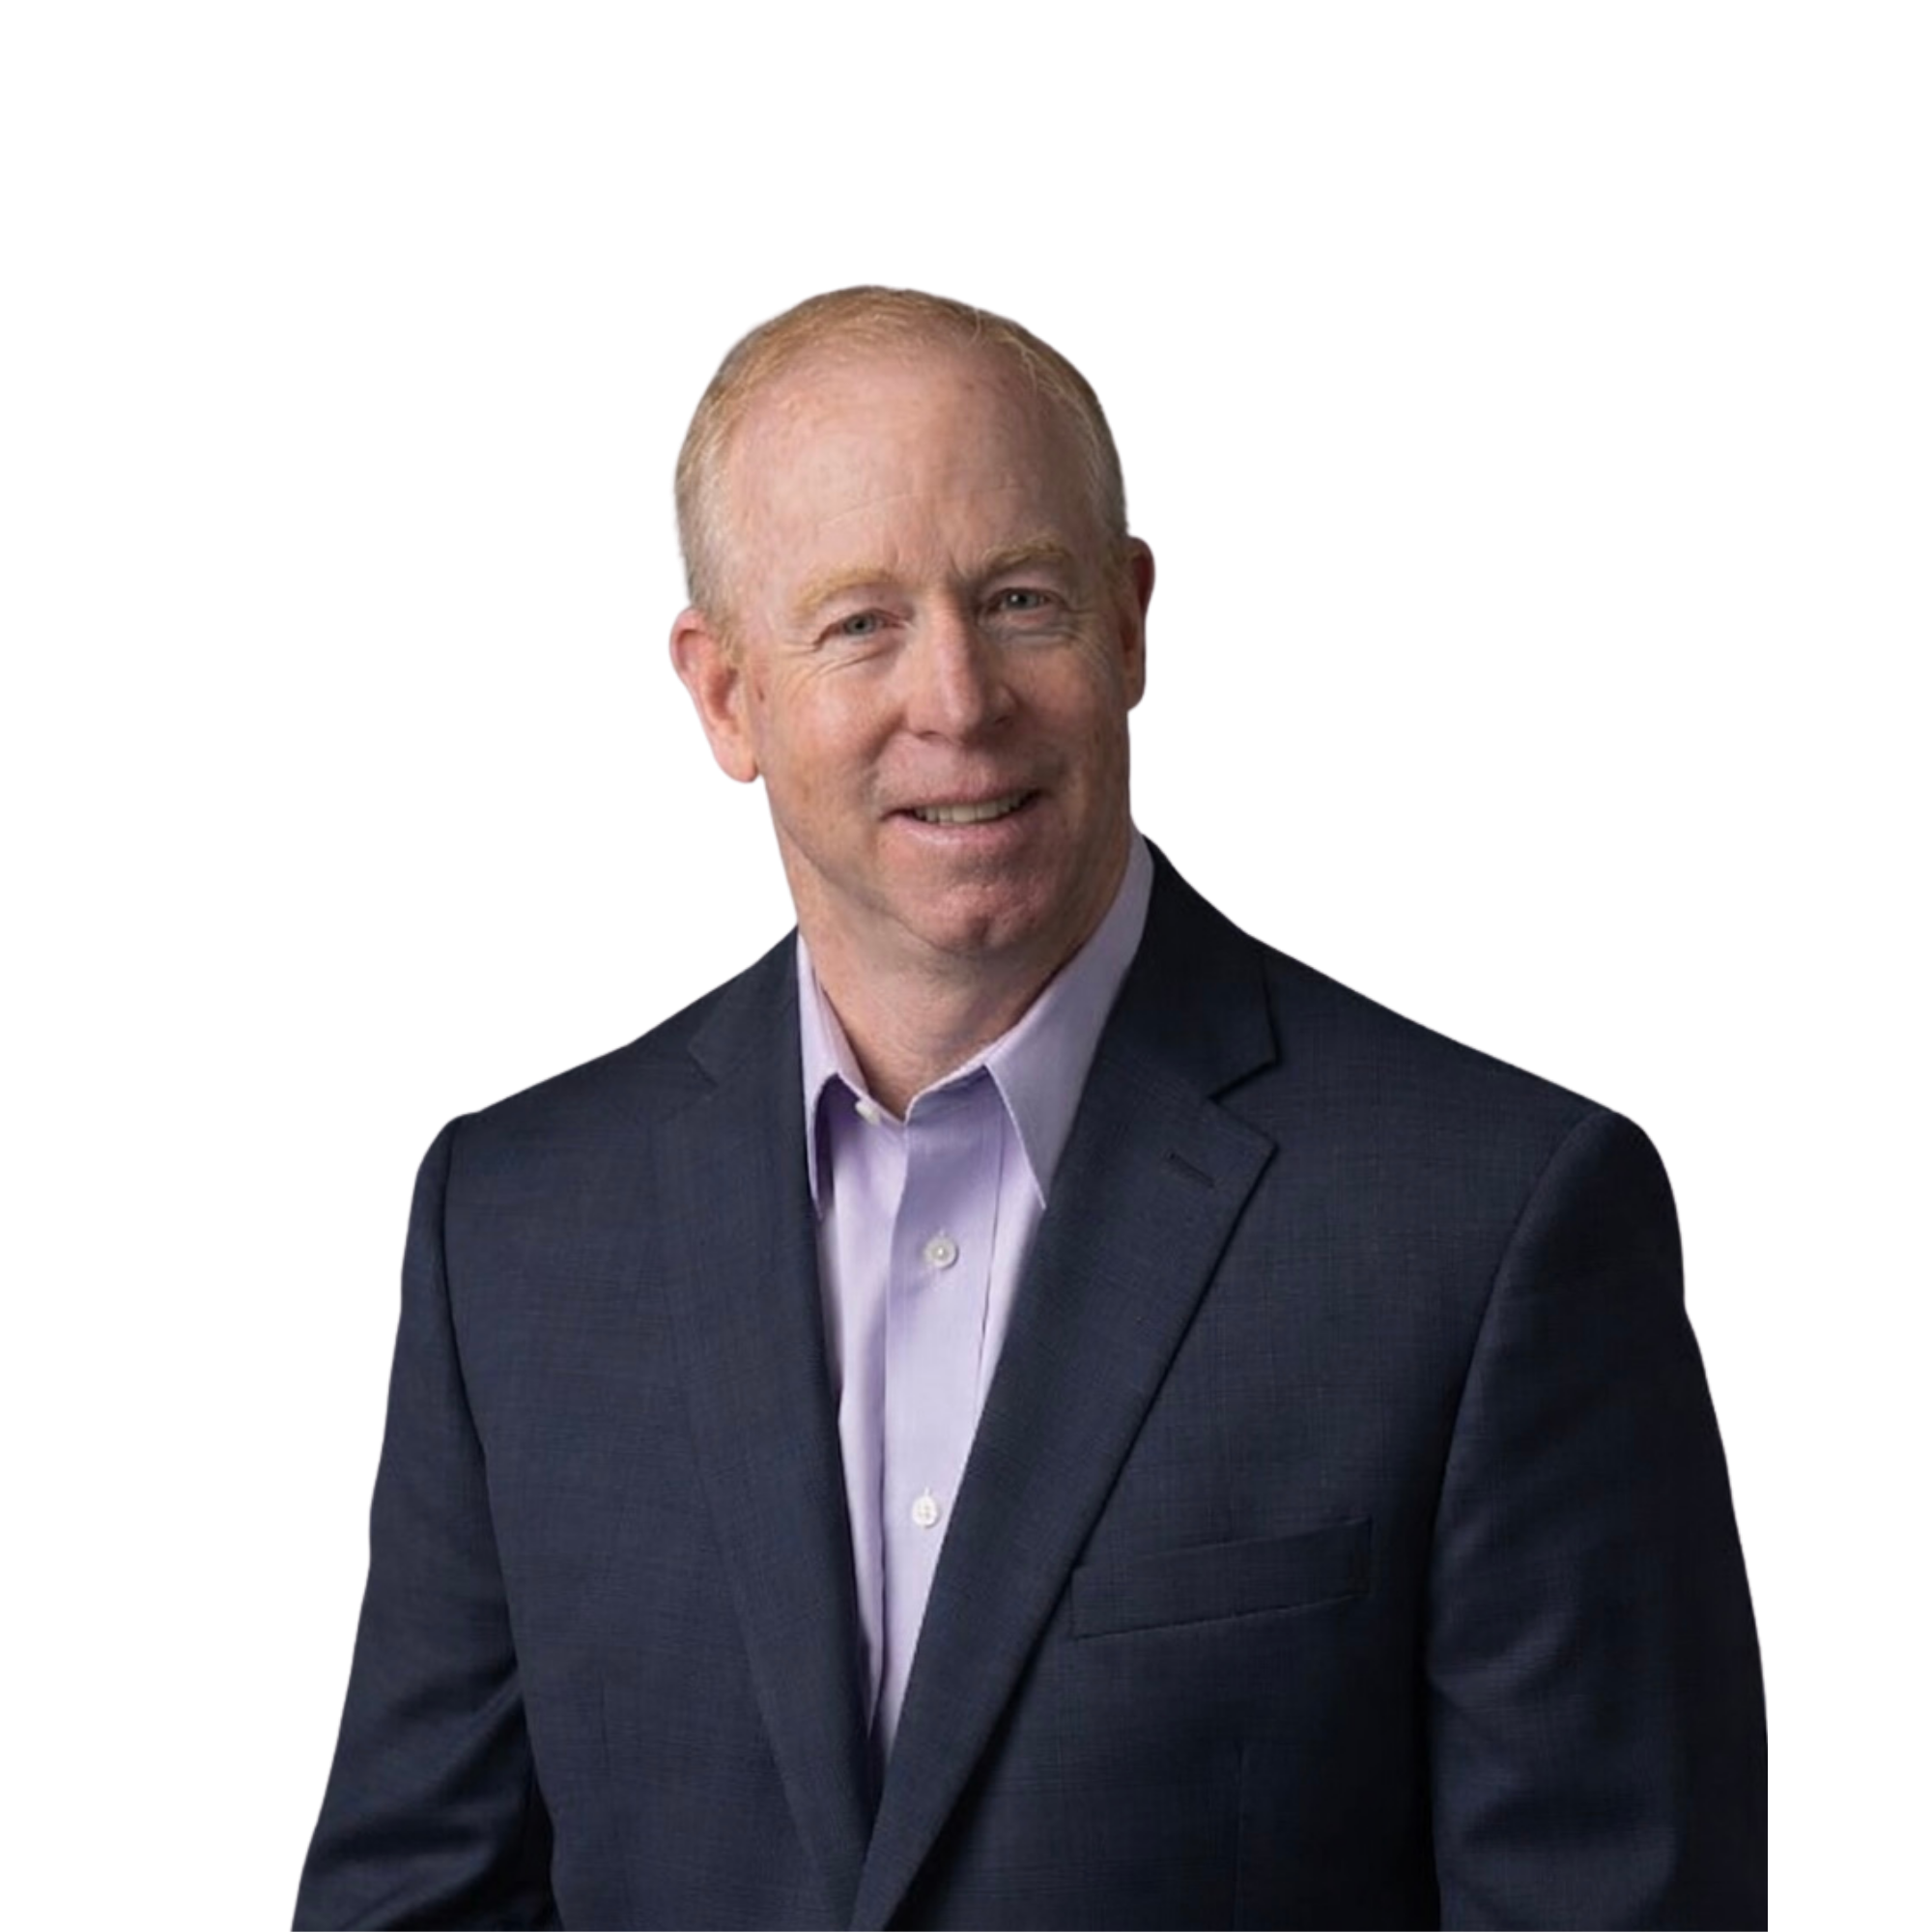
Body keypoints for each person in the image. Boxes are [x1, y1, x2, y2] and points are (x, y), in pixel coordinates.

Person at [294, 286, 1767, 1929]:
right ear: (721, 701)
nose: (959, 697)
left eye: (1019, 599)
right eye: (859, 621)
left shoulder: (1492, 1221)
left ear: (1133, 626)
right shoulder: (507, 1225)